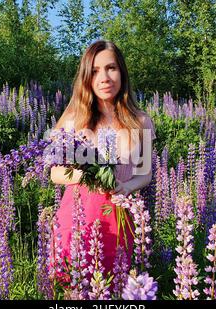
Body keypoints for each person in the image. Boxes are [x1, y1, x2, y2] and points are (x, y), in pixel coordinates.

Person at [49, 40, 156, 289]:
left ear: (122, 73)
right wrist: (84, 175)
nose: (105, 77)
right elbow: (54, 171)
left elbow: (146, 174)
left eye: (111, 68)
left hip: (119, 216)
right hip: (77, 217)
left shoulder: (141, 121)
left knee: (117, 290)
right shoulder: (73, 117)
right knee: (74, 291)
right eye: (95, 71)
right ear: (87, 76)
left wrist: (126, 186)